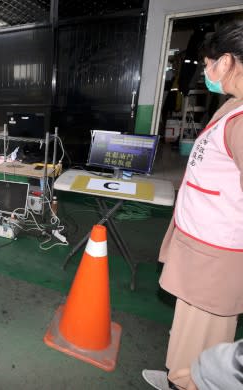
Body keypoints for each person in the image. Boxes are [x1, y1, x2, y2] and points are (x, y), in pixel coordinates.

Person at [143, 21, 243, 390]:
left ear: (228, 61)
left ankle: (193, 383)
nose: (206, 71)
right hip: (202, 238)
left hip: (220, 250)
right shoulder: (233, 106)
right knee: (190, 318)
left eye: (208, 63)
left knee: (208, 325)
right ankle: (177, 376)